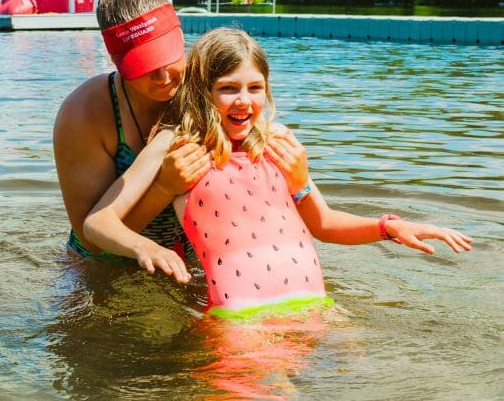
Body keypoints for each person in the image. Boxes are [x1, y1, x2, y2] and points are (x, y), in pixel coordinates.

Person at [83, 28, 473, 316]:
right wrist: (147, 247)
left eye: (255, 88)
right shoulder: (177, 145)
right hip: (238, 323)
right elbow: (96, 223)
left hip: (315, 309)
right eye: (228, 88)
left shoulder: (279, 141)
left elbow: (323, 223)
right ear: (203, 90)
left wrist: (388, 227)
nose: (244, 101)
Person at [53, 0, 211, 258]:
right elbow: (91, 240)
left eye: (168, 57)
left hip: (183, 258)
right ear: (117, 61)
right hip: (101, 265)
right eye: (146, 65)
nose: (163, 76)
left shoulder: (208, 88)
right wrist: (164, 187)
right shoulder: (86, 112)